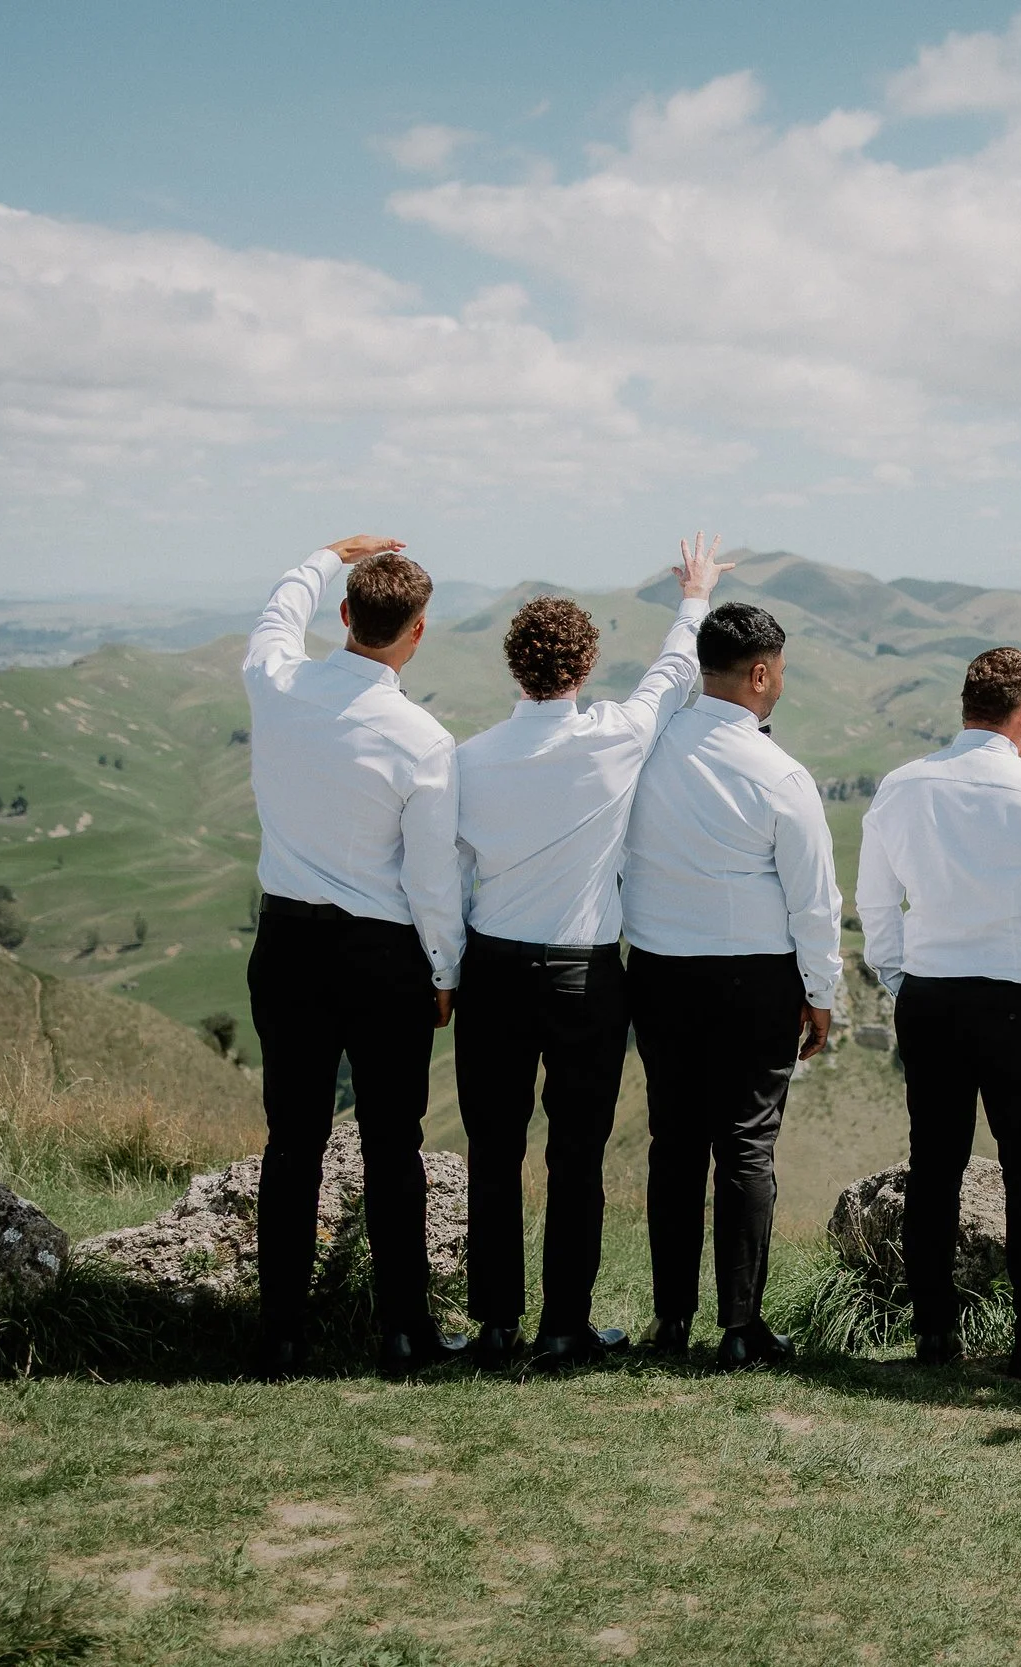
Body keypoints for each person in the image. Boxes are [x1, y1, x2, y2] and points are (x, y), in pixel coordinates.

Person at [451, 534, 730, 1371]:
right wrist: (694, 595)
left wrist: (442, 970)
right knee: (577, 1154)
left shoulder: (467, 760)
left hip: (492, 969)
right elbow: (676, 671)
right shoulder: (614, 734)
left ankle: (497, 1323)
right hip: (585, 975)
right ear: (584, 665)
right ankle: (564, 1325)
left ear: (514, 667)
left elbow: (445, 877)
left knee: (493, 1151)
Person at [240, 536, 465, 1380]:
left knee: (291, 1139)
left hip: (289, 943)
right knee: (393, 1144)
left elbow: (275, 614)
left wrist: (325, 551)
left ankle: (282, 1336)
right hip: (384, 956)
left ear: (344, 616)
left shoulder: (278, 683)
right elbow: (433, 877)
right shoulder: (424, 739)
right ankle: (403, 1333)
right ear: (416, 634)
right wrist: (444, 969)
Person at [621, 601, 841, 1371]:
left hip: (656, 969)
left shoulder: (647, 749)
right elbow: (814, 899)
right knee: (747, 1146)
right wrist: (822, 993)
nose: (781, 680)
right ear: (759, 673)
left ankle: (671, 1318)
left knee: (674, 1142)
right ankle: (741, 1326)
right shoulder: (780, 774)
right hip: (753, 979)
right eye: (779, 669)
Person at [857, 647, 1021, 1376]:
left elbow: (873, 902)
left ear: (967, 706)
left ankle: (932, 1332)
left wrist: (900, 979)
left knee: (934, 1166)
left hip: (932, 995)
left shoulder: (901, 786)